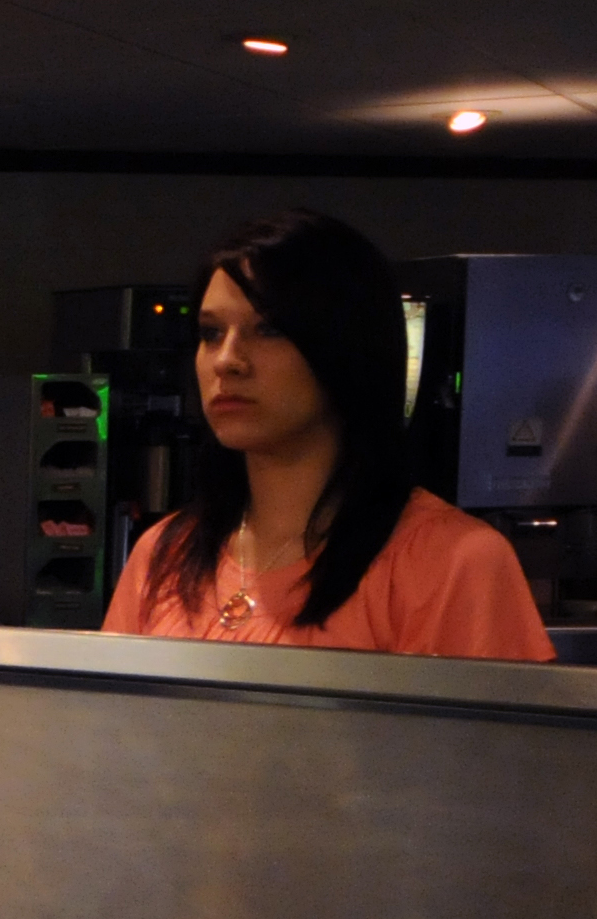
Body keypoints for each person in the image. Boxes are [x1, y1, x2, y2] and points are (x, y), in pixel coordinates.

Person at [105, 212, 551, 660]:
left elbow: (493, 732)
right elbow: (106, 724)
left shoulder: (454, 562)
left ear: (345, 347)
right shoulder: (164, 554)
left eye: (270, 329)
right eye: (211, 332)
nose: (227, 360)